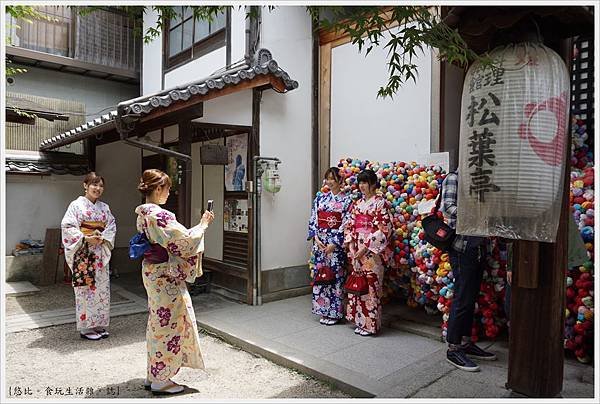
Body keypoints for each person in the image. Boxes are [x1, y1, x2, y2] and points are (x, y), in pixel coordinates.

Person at [135, 169, 214, 395]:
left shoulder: (143, 213)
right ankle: (162, 379)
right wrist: (203, 225)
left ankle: (154, 373)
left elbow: (172, 241)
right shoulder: (159, 215)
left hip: (152, 272)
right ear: (158, 188)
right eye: (168, 188)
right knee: (167, 324)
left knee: (156, 322)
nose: (169, 193)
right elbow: (184, 242)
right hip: (165, 275)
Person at [440, 169, 497, 372]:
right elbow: (447, 208)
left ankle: (465, 342)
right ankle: (453, 347)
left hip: (479, 246)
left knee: (470, 297)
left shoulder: (478, 180)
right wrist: (476, 212)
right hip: (462, 246)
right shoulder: (454, 178)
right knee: (462, 297)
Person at [61, 172, 116, 341]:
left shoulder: (104, 208)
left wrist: (103, 238)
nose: (98, 188)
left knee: (101, 290)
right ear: (85, 185)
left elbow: (111, 225)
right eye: (94, 184)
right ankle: (86, 328)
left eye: (100, 185)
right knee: (85, 290)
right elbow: (68, 226)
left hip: (99, 253)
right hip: (84, 253)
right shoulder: (76, 205)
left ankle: (98, 324)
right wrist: (86, 238)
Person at [344, 169, 392, 336]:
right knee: (358, 285)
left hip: (371, 253)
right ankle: (359, 321)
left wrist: (364, 248)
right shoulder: (357, 204)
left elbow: (384, 229)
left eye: (365, 182)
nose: (362, 186)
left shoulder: (380, 203)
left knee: (371, 287)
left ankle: (370, 325)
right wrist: (351, 247)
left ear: (373, 184)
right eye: (360, 182)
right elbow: (350, 226)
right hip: (356, 250)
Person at [307, 167, 352, 325]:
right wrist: (317, 238)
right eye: (327, 178)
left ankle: (334, 313)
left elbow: (347, 223)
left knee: (335, 277)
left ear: (340, 180)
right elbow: (314, 218)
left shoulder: (347, 200)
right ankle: (322, 310)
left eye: (332, 178)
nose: (329, 182)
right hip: (320, 244)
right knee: (321, 276)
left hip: (335, 246)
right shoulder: (320, 198)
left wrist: (335, 243)